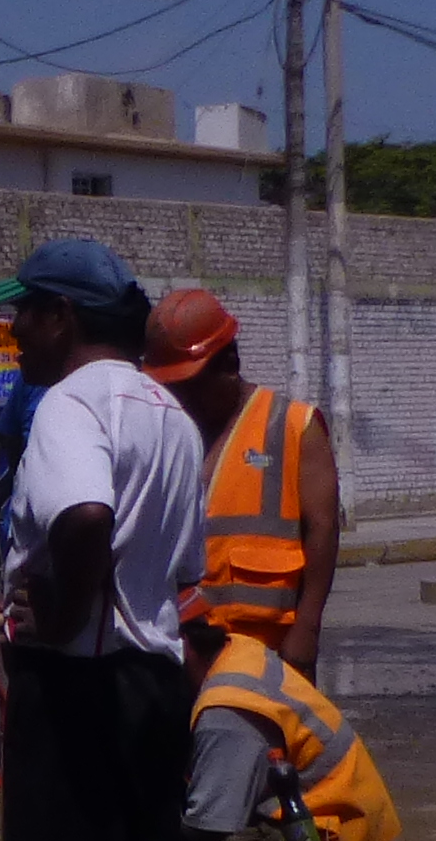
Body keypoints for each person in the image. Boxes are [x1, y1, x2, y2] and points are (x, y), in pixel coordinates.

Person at [0, 235, 219, 841]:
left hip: (81, 682)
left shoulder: (65, 407)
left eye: (22, 312)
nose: (11, 332)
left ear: (61, 317)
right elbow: (184, 571)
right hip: (152, 679)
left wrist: (62, 608)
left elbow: (83, 515)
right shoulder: (168, 411)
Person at [143, 289, 340, 677]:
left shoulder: (293, 426)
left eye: (188, 383)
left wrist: (307, 628)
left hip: (269, 646)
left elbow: (324, 528)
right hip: (187, 646)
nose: (177, 396)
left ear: (229, 363)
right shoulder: (166, 431)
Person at [185, 632, 401, 841]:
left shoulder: (227, 715)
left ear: (186, 647)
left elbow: (209, 830)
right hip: (358, 826)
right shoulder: (237, 650)